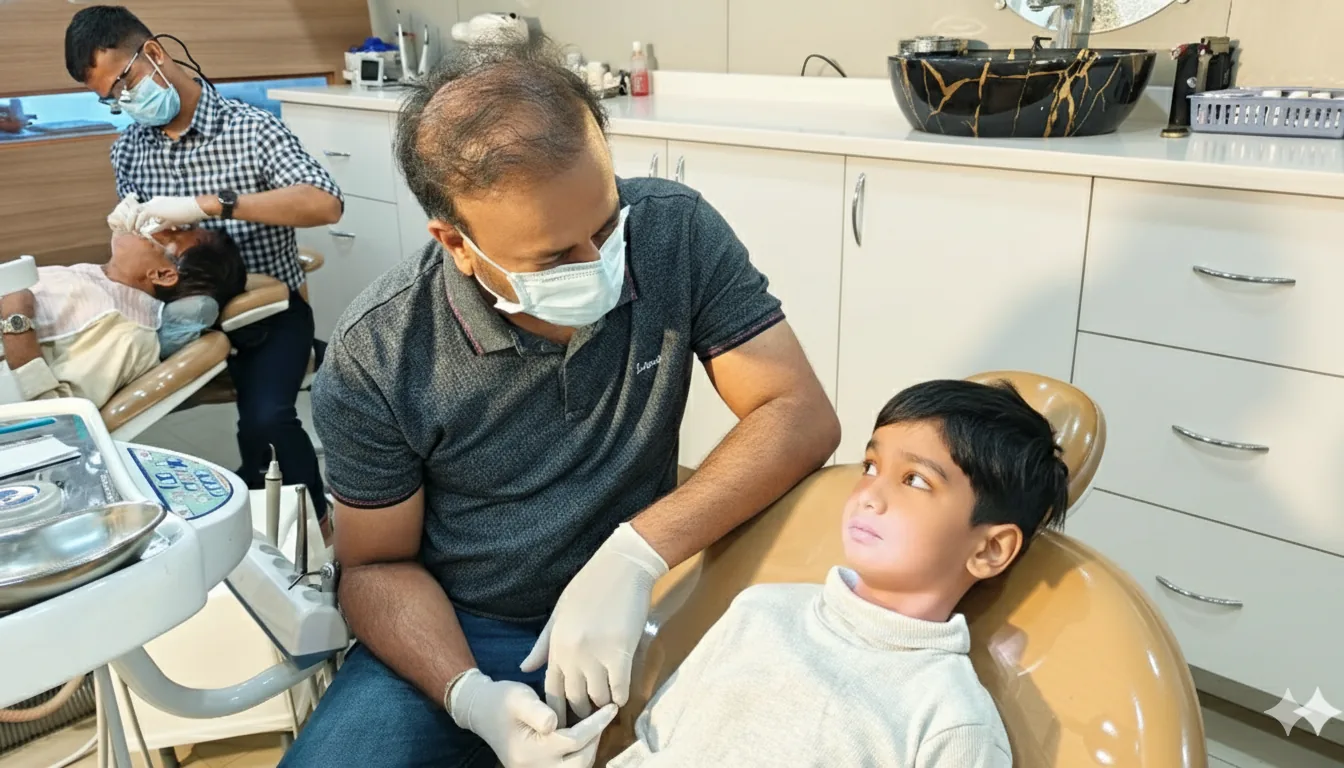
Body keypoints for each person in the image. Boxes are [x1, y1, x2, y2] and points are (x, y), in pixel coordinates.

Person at [284, 39, 841, 768]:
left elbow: (797, 411)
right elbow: (375, 568)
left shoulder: (671, 233)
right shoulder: (380, 355)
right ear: (454, 241)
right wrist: (469, 696)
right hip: (468, 627)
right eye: (552, 257)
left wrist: (636, 555)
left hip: (654, 593)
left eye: (605, 227)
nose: (599, 267)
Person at [608, 378, 1071, 767]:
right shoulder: (760, 610)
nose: (870, 494)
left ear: (990, 549)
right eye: (871, 466)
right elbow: (649, 745)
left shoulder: (951, 719)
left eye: (915, 480)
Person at [64, 5, 343, 522]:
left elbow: (325, 202)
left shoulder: (251, 129)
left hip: (266, 313)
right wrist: (132, 233)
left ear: (154, 53)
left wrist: (212, 204)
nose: (125, 103)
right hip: (180, 316)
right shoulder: (130, 150)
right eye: (112, 100)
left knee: (264, 421)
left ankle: (314, 525)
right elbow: (142, 253)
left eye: (125, 85)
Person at [0, 228, 246, 407]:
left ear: (163, 274)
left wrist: (16, 320)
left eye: (173, 236)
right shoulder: (95, 280)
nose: (160, 228)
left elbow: (57, 411)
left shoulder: (127, 332)